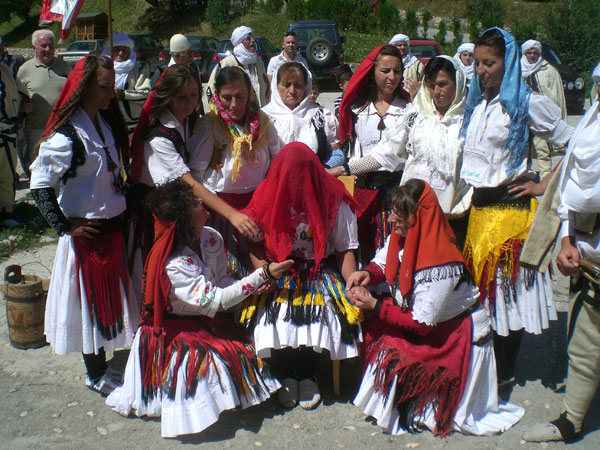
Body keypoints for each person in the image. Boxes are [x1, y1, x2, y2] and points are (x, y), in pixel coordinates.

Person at [106, 179, 292, 438]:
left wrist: (247, 285)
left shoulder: (210, 237)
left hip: (204, 318)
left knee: (245, 347)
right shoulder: (175, 263)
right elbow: (217, 301)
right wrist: (261, 276)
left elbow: (222, 280)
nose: (202, 203)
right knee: (210, 360)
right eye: (195, 203)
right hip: (176, 327)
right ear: (183, 218)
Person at [349, 179, 524, 436]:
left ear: (418, 218)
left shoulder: (440, 265)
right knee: (378, 332)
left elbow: (420, 325)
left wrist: (376, 305)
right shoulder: (402, 238)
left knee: (389, 339)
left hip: (455, 332)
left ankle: (425, 404)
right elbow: (385, 261)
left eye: (400, 215)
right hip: (432, 322)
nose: (390, 220)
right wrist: (366, 273)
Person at [460, 28, 573, 388]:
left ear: (507, 62)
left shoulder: (526, 102)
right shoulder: (478, 104)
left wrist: (542, 185)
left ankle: (504, 370)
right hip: (480, 213)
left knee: (507, 297)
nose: (481, 70)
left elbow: (572, 144)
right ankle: (489, 365)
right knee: (484, 299)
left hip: (510, 214)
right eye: (477, 63)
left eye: (489, 63)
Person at [29, 55, 136, 395]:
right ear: (84, 87)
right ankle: (95, 372)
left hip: (111, 233)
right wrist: (64, 226)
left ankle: (106, 363)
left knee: (108, 305)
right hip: (87, 238)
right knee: (89, 308)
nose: (111, 93)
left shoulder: (102, 125)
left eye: (111, 86)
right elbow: (39, 183)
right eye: (104, 87)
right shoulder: (67, 136)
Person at [238, 143, 362, 410]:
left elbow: (344, 249)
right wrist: (263, 274)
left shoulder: (334, 201)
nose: (295, 182)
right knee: (275, 312)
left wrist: (351, 285)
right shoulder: (266, 197)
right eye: (288, 175)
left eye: (302, 174)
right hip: (276, 270)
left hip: (318, 269)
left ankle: (307, 372)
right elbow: (256, 243)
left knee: (320, 310)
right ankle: (285, 373)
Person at [523, 95, 600, 445]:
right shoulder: (590, 130)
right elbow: (572, 189)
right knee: (584, 343)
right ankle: (572, 418)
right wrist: (567, 242)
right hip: (591, 260)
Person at [360, 55, 472, 246]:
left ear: (458, 83)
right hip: (413, 215)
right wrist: (346, 169)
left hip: (451, 220)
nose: (437, 91)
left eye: (443, 84)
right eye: (431, 85)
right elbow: (386, 152)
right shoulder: (415, 116)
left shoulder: (470, 123)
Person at [193, 66, 279, 274]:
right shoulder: (209, 125)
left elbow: (277, 161)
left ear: (249, 93)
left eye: (240, 96)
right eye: (227, 97)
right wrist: (226, 212)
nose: (234, 105)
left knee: (261, 273)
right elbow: (195, 174)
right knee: (229, 274)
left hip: (258, 208)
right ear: (216, 95)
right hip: (221, 212)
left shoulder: (263, 123)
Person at [331, 45, 411, 264]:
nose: (392, 77)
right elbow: (352, 148)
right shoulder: (358, 109)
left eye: (397, 71)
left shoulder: (408, 109)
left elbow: (392, 155)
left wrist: (344, 169)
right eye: (385, 70)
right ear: (373, 71)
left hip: (395, 190)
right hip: (363, 189)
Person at [262, 62, 343, 168]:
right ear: (276, 86)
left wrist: (321, 171)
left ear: (306, 86)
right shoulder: (262, 117)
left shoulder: (321, 116)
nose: (292, 91)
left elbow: (336, 154)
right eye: (286, 85)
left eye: (298, 85)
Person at [17, 29, 71, 175]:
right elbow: (15, 98)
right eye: (43, 46)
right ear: (34, 48)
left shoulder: (64, 67)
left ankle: (61, 198)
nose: (48, 49)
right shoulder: (24, 70)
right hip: (37, 130)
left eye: (51, 46)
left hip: (63, 128)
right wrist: (22, 107)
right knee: (41, 172)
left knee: (63, 170)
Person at [521, 39, 567, 179]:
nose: (532, 55)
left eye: (535, 53)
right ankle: (524, 172)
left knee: (542, 146)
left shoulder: (548, 70)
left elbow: (556, 93)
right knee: (523, 145)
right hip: (524, 113)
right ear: (525, 53)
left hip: (541, 113)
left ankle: (545, 174)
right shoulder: (518, 70)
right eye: (530, 53)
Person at [207, 26, 269, 107]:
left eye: (252, 37)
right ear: (240, 43)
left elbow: (266, 87)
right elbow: (212, 89)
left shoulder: (258, 62)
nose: (253, 40)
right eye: (248, 39)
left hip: (259, 113)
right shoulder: (227, 63)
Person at [103, 33, 152, 128]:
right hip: (107, 122)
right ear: (110, 51)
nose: (120, 53)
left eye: (124, 50)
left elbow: (146, 94)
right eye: (117, 50)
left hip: (132, 125)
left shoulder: (139, 68)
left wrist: (123, 94)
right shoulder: (102, 68)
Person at [0, 58, 22, 223]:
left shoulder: (6, 71)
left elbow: (20, 93)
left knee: (7, 174)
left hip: (7, 132)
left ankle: (6, 211)